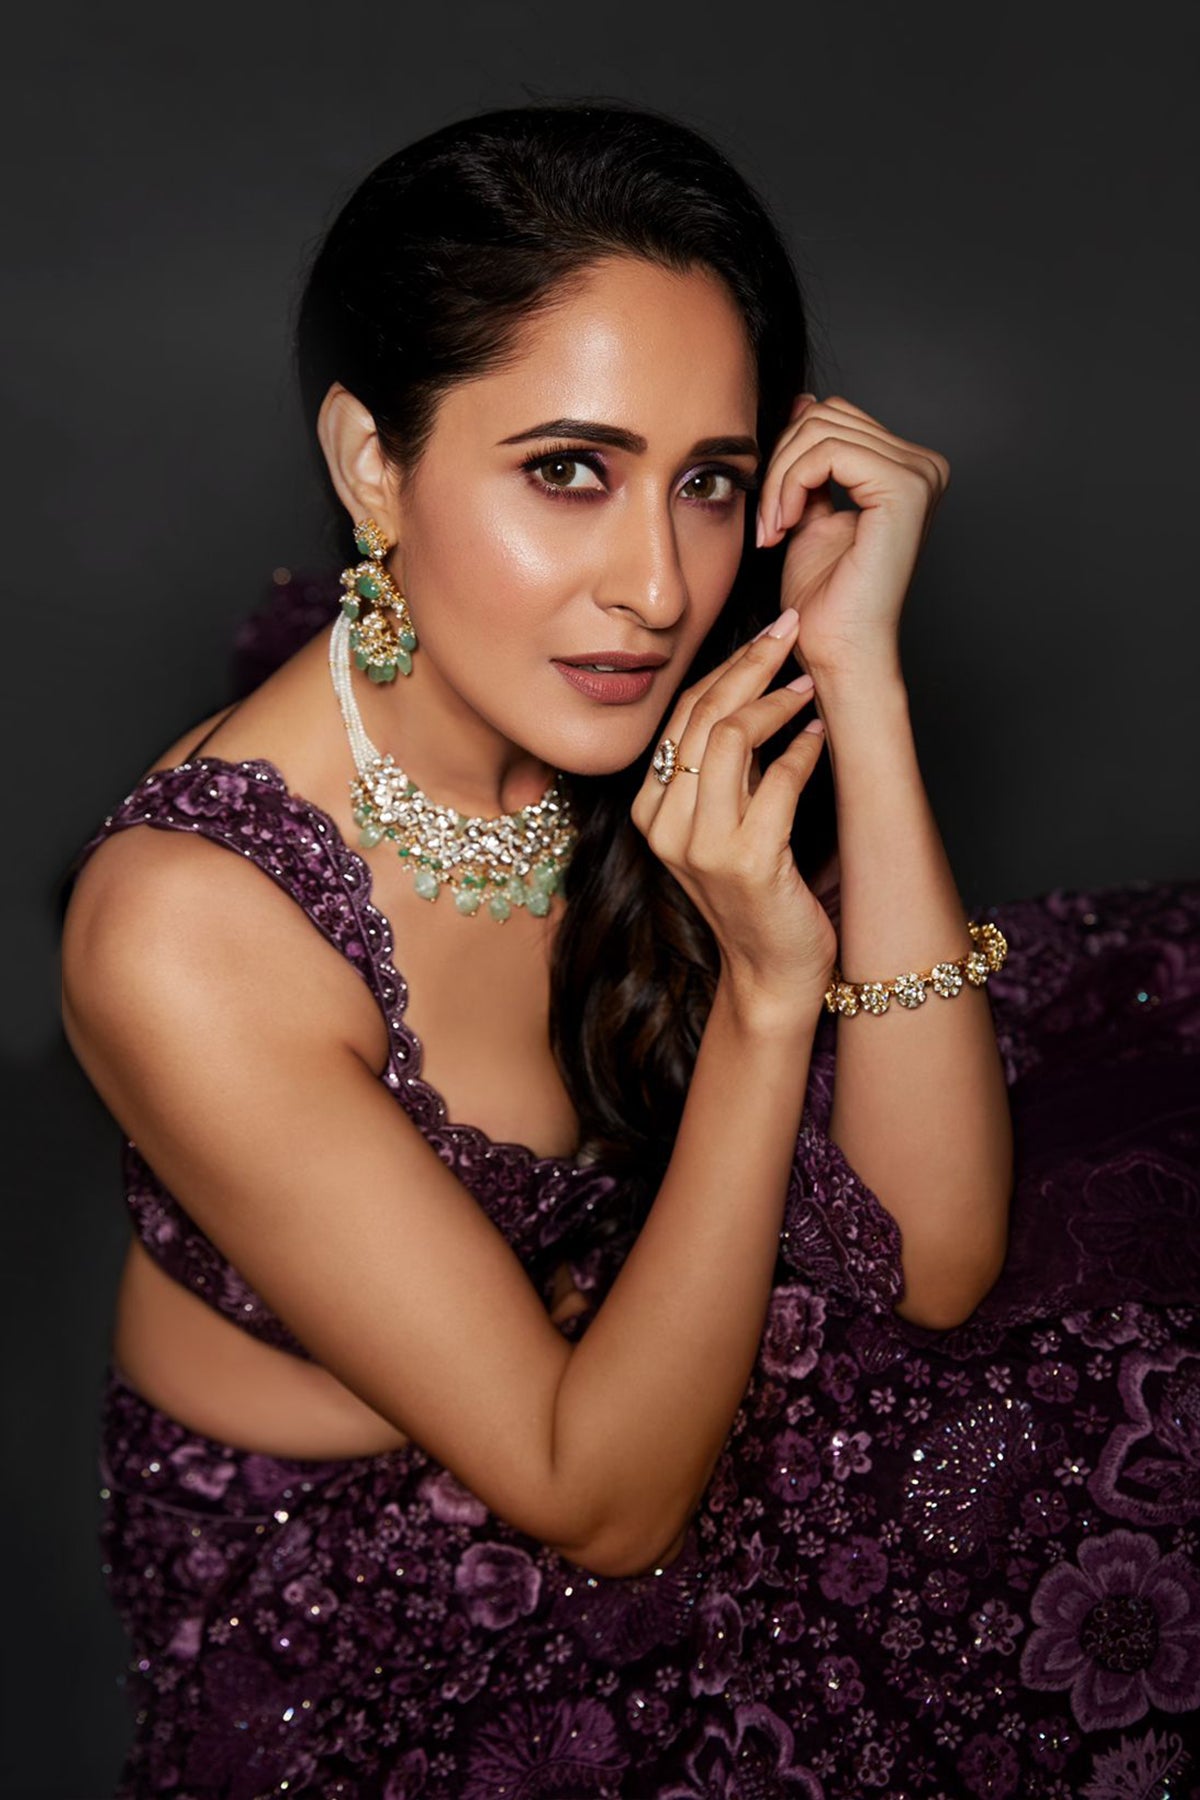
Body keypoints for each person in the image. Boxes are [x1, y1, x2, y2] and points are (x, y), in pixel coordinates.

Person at [61, 101, 1200, 1799]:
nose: (659, 588)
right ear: (373, 465)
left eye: (710, 484)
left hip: (623, 1371)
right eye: (567, 472)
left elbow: (933, 1253)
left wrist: (859, 675)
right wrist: (766, 996)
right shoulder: (191, 931)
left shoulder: (630, 698)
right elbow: (600, 1501)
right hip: (355, 1580)